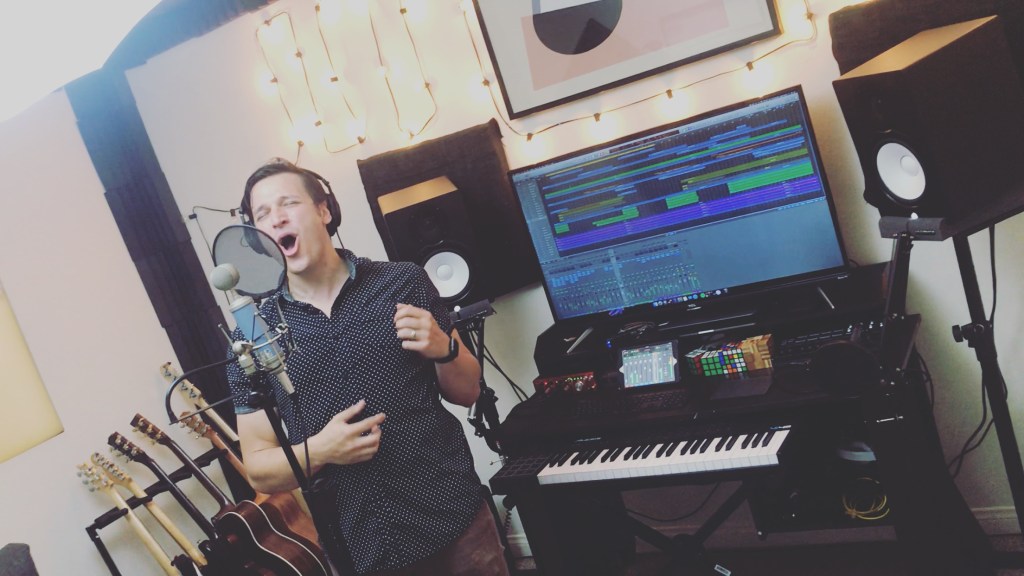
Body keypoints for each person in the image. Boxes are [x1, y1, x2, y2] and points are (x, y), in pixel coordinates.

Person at [225, 158, 510, 575]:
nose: (276, 218)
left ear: (324, 210)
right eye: (262, 214)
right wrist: (322, 450)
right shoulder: (254, 336)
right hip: (362, 550)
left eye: (288, 203)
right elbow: (259, 470)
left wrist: (444, 347)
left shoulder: (403, 282)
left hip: (456, 522)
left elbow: (468, 392)